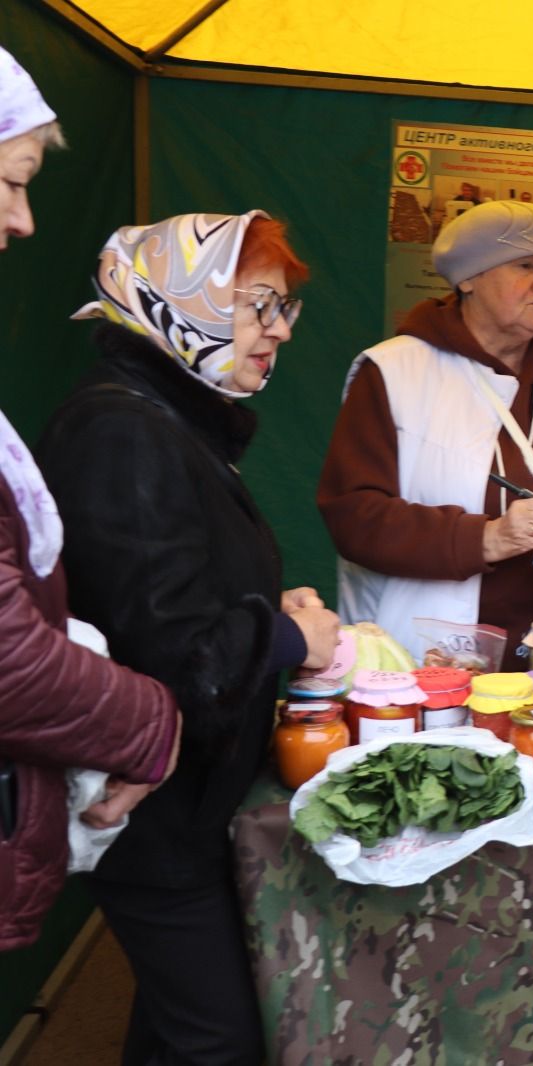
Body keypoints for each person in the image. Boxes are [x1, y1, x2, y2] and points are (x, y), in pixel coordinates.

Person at [36, 211, 341, 1063]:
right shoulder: (124, 429)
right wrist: (286, 636)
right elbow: (171, 656)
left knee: (183, 1029)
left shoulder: (167, 419)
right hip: (153, 811)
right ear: (182, 300)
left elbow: (160, 595)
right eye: (256, 305)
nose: (277, 332)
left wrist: (269, 602)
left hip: (182, 802)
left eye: (285, 310)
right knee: (223, 1040)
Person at [0, 48, 183, 954]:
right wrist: (154, 722)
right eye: (10, 182)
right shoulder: (123, 422)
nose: (25, 221)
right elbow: (8, 657)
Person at [318, 200, 533, 666]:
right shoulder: (395, 370)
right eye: (524, 265)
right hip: (435, 660)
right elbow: (355, 515)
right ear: (468, 280)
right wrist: (487, 538)